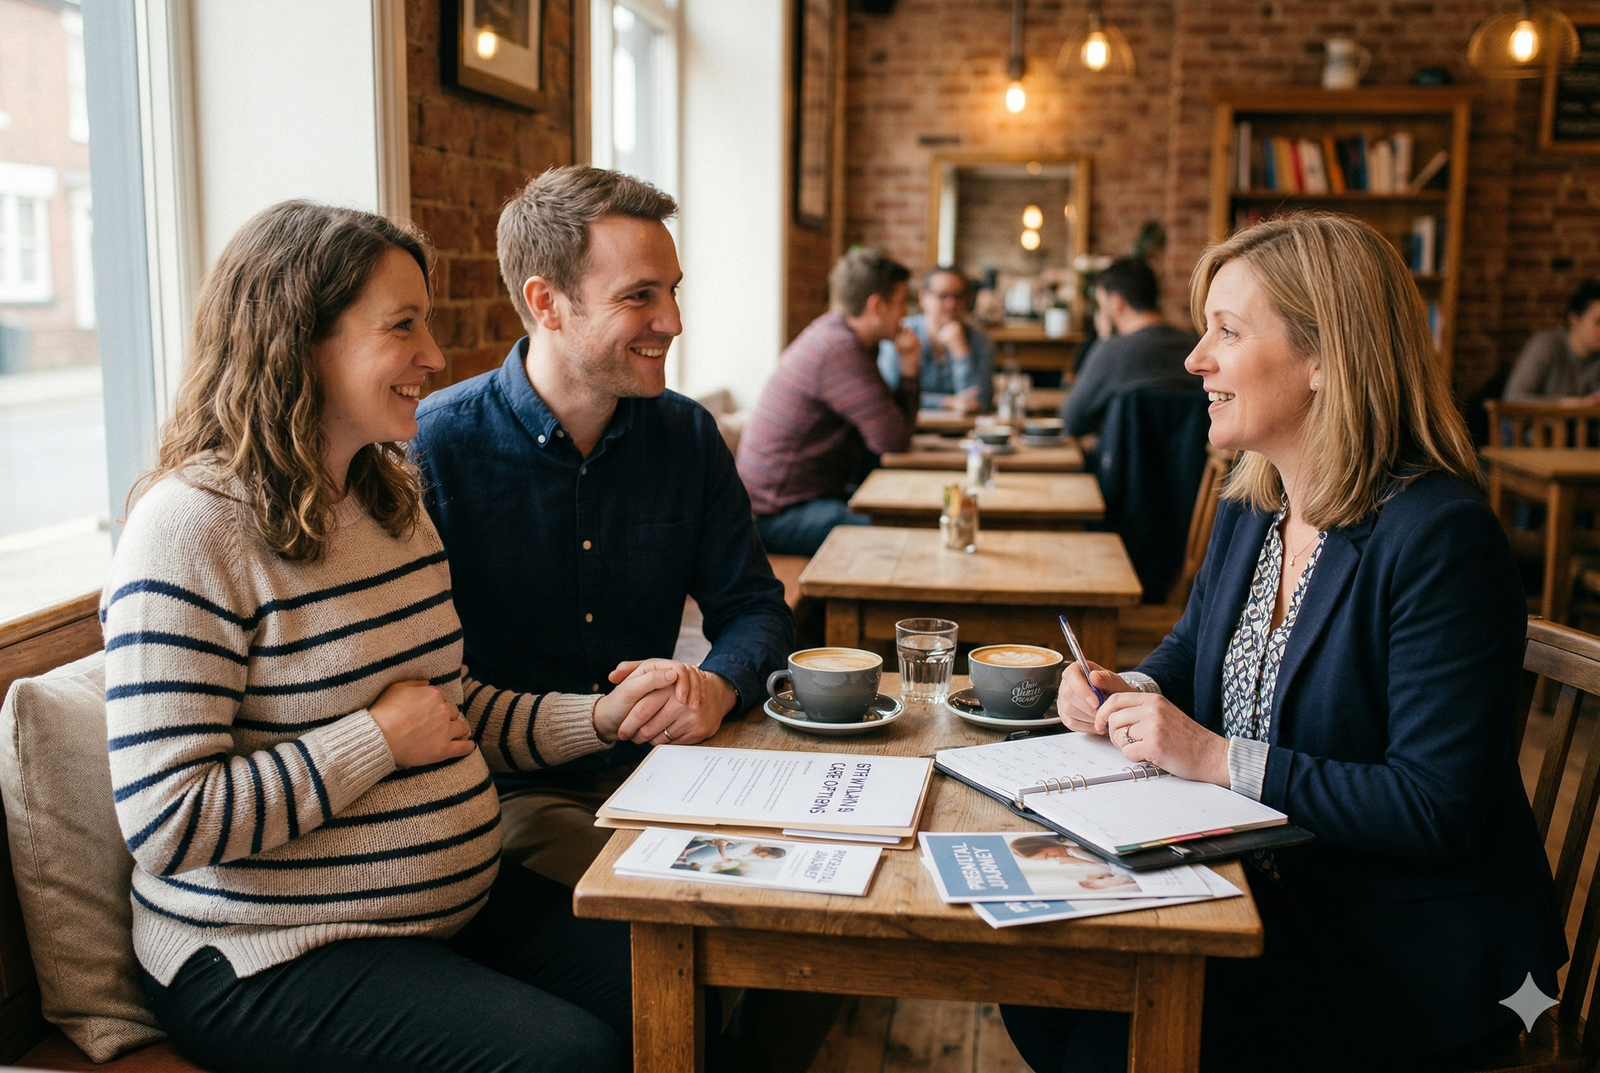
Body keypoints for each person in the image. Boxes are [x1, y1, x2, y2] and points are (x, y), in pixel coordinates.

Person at [103, 201, 671, 1072]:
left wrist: (598, 717)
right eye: (402, 326)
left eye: (428, 323)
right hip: (265, 950)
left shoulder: (387, 497)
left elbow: (449, 707)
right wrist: (373, 739)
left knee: (688, 981)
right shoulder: (188, 531)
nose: (437, 358)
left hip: (446, 908)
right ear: (300, 340)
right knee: (573, 1057)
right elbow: (169, 821)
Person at [1005, 212, 1567, 1072]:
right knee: (1038, 986)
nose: (1195, 358)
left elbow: (1434, 805)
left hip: (1401, 949)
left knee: (1098, 1042)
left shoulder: (1441, 536)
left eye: (1226, 331)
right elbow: (1192, 653)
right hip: (1266, 889)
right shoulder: (1257, 502)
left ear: (1324, 358)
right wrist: (1131, 690)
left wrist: (1215, 758)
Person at [411, 166, 793, 889]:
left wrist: (717, 686)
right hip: (513, 790)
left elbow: (753, 608)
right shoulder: (434, 450)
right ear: (545, 303)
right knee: (683, 911)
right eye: (638, 296)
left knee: (808, 907)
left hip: (672, 770)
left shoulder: (687, 435)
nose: (673, 322)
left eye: (671, 291)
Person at [738, 247, 922, 556]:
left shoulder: (837, 337)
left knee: (901, 517)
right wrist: (910, 370)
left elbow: (892, 427)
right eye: (902, 302)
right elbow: (893, 440)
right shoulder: (839, 350)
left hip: (794, 501)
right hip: (774, 515)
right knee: (899, 536)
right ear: (877, 306)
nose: (906, 314)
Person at [1058, 257, 1201, 437]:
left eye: (1101, 303)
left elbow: (1071, 420)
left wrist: (1104, 341)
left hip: (1121, 464)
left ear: (1116, 302)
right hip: (1193, 464)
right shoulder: (1195, 348)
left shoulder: (1111, 352)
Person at [876, 267, 995, 412]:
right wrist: (947, 403)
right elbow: (889, 396)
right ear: (923, 298)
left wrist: (961, 352)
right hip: (912, 429)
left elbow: (980, 402)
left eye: (958, 296)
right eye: (943, 296)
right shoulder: (899, 333)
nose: (951, 304)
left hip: (962, 431)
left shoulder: (980, 340)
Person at [1503, 279, 1600, 402]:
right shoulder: (1547, 344)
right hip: (1533, 421)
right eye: (1598, 322)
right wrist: (1562, 405)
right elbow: (1513, 397)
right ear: (1575, 320)